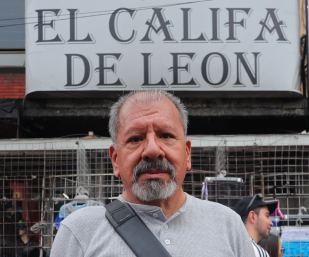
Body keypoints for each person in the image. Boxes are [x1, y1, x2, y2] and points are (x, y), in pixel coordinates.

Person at [50, 90, 254, 256]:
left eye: (166, 135)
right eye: (135, 139)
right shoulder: (78, 231)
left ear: (187, 153)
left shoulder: (227, 224)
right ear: (115, 160)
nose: (152, 150)